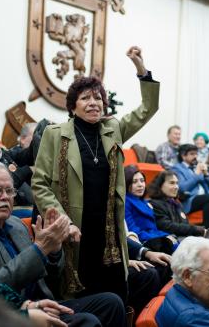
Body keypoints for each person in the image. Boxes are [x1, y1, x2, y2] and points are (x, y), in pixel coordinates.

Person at [32, 46, 159, 301]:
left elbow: (148, 107)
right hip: (74, 230)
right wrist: (62, 221)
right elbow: (40, 183)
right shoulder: (55, 134)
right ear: (73, 105)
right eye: (85, 98)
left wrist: (140, 68)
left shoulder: (113, 129)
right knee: (82, 297)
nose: (93, 103)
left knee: (114, 296)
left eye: (98, 98)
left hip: (109, 232)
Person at [0, 160, 127, 327]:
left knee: (111, 302)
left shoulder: (16, 225)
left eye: (10, 190)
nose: (5, 197)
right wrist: (40, 249)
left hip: (41, 304)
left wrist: (53, 251)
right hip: (8, 316)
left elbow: (51, 280)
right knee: (88, 322)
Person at [0, 253, 72, 327]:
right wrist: (25, 316)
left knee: (83, 318)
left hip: (21, 309)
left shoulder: (18, 226)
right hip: (1, 320)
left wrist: (27, 304)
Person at [172, 144, 209, 228]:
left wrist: (206, 174)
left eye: (196, 154)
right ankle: (208, 228)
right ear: (183, 156)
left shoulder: (197, 167)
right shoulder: (177, 169)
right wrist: (196, 174)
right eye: (192, 154)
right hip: (189, 200)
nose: (195, 156)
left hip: (206, 197)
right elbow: (182, 188)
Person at [125, 165, 176, 254]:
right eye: (134, 182)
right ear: (126, 183)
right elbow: (133, 230)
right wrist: (164, 237)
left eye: (142, 181)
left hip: (154, 237)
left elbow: (153, 228)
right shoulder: (126, 202)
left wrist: (166, 235)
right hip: (143, 242)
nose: (140, 185)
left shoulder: (143, 201)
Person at [148, 170, 206, 238]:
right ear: (160, 185)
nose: (176, 187)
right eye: (172, 183)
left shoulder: (176, 204)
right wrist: (197, 230)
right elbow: (168, 227)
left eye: (177, 183)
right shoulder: (154, 204)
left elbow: (184, 226)